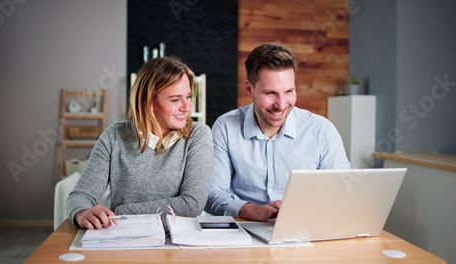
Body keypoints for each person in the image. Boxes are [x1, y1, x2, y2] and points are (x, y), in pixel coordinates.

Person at [204, 43, 350, 221]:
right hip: (245, 229)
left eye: (289, 91)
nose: (281, 105)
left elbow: (342, 191)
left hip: (306, 229)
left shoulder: (322, 131)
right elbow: (211, 192)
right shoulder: (225, 127)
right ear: (250, 90)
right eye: (270, 93)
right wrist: (248, 209)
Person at [66, 57, 214, 229]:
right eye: (175, 100)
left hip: (176, 240)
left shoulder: (198, 135)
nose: (187, 107)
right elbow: (80, 196)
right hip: (122, 237)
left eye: (188, 96)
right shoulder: (114, 137)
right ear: (149, 102)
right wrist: (81, 211)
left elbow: (191, 205)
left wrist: (120, 211)